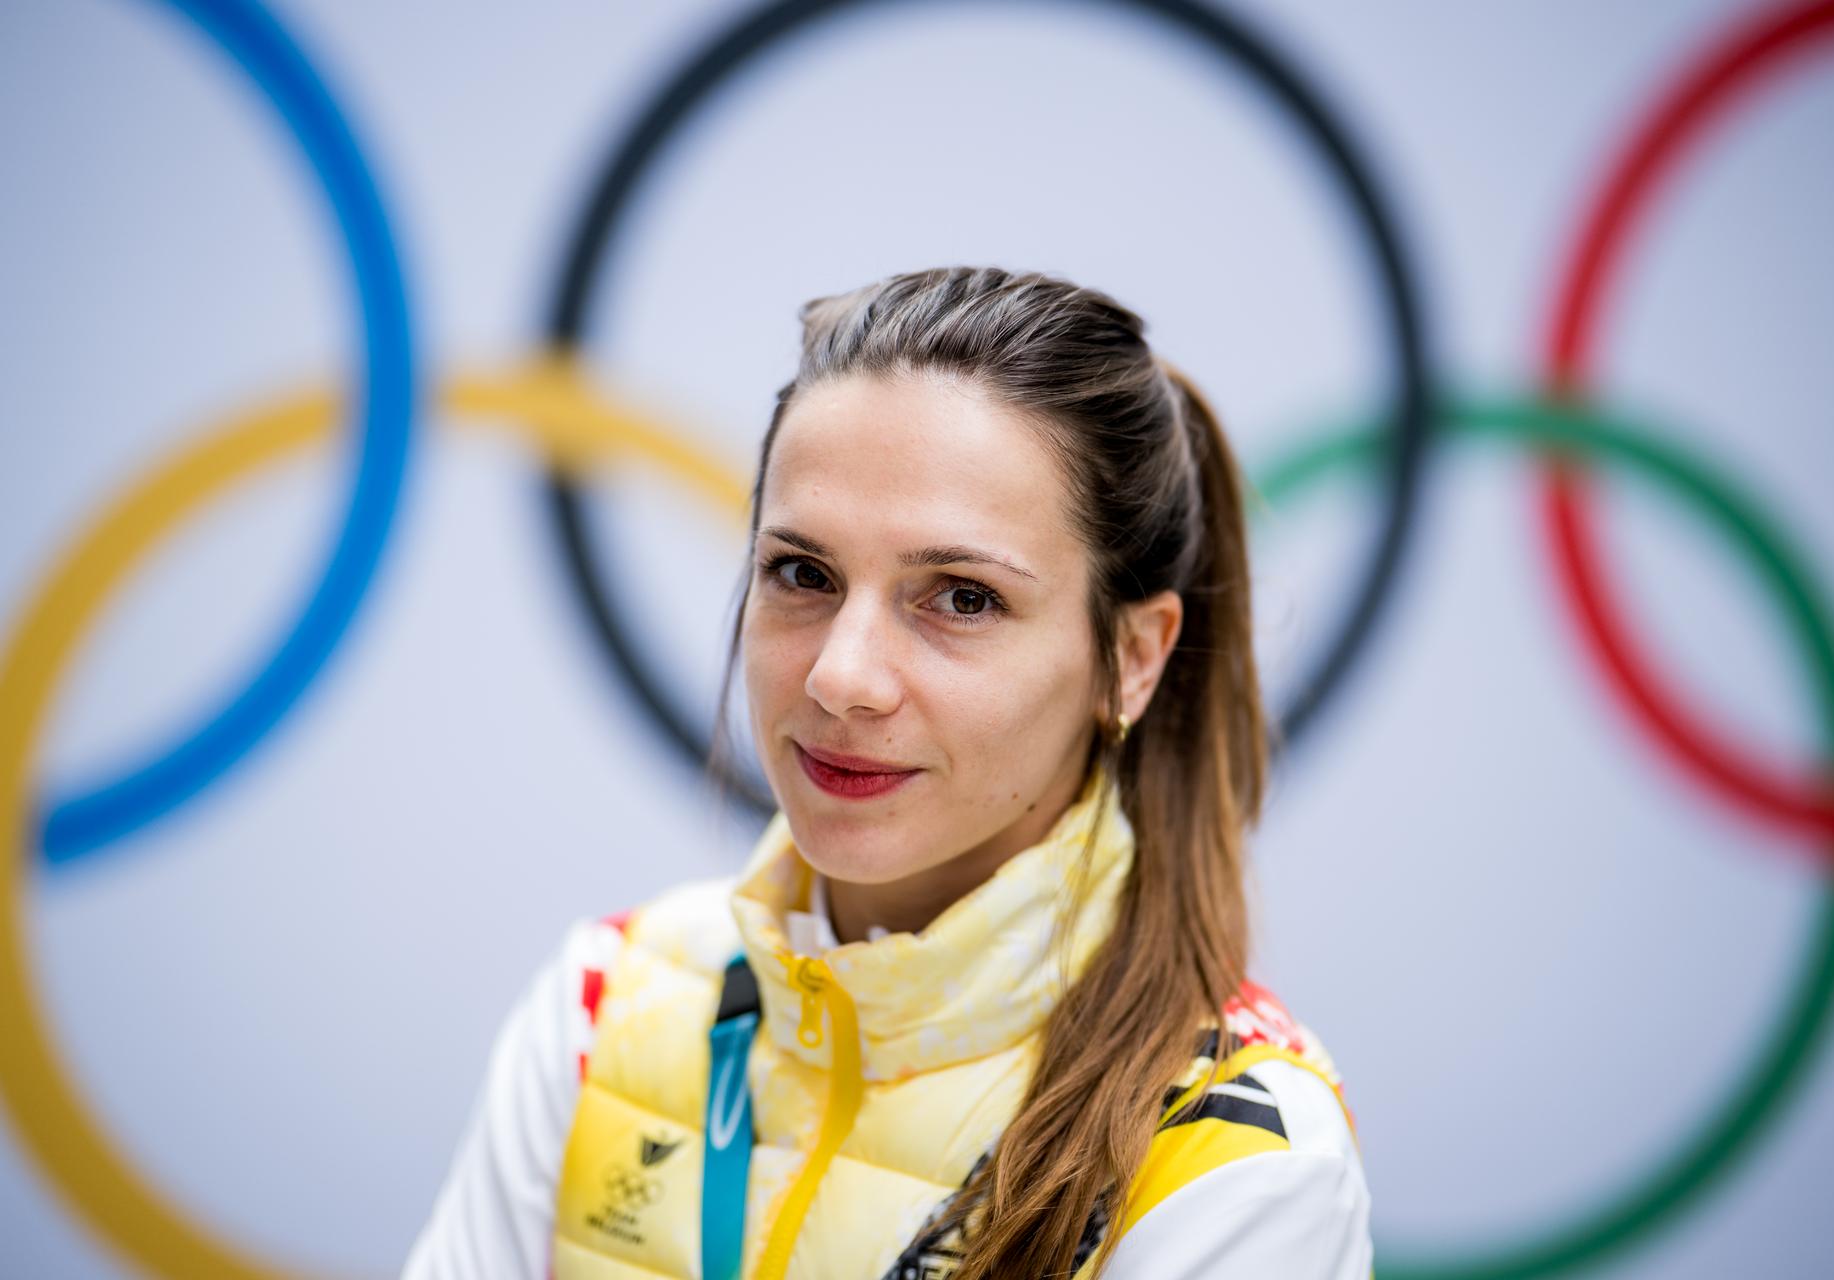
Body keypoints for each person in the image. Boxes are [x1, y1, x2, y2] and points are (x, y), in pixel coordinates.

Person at [402, 265, 1371, 1279]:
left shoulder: (1237, 1156)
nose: (840, 675)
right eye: (803, 574)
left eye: (961, 597)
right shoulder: (602, 1007)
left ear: (1131, 656)